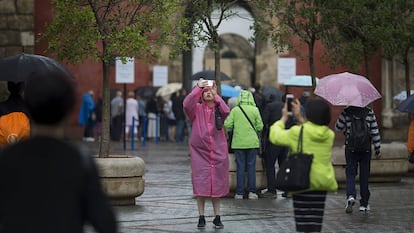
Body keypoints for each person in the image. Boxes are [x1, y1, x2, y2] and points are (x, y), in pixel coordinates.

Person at [0, 71, 117, 233]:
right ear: (68, 109)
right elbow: (106, 223)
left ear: (28, 106)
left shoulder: (6, 159)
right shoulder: (80, 161)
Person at [269, 96, 338, 233]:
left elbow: (275, 136)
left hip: (302, 181)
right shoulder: (329, 135)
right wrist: (300, 116)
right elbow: (312, 129)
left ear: (309, 114)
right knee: (315, 224)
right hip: (321, 183)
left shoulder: (297, 132)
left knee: (303, 225)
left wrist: (283, 118)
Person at [183, 79, 230, 229]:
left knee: (216, 188)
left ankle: (217, 217)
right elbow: (186, 104)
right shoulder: (196, 110)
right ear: (201, 95)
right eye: (206, 91)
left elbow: (226, 110)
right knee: (201, 186)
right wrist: (198, 87)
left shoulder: (219, 110)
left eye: (211, 90)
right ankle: (201, 216)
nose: (208, 93)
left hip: (217, 153)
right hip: (200, 154)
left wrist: (217, 96)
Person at [335, 105, 381, 213]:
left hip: (351, 148)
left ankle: (351, 195)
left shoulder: (346, 112)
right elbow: (375, 131)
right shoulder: (369, 112)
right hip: (366, 149)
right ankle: (364, 204)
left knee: (350, 173)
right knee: (364, 175)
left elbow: (337, 127)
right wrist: (377, 148)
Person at [224, 90, 263, 200]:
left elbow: (227, 124)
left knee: (240, 167)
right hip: (252, 143)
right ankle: (252, 192)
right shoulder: (255, 110)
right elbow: (260, 126)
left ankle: (239, 193)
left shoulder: (235, 110)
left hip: (238, 143)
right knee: (251, 167)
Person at [261, 94, 288, 198]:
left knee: (270, 164)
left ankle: (272, 190)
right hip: (286, 139)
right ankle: (287, 190)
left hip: (274, 139)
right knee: (283, 165)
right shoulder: (286, 107)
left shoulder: (270, 107)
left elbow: (264, 121)